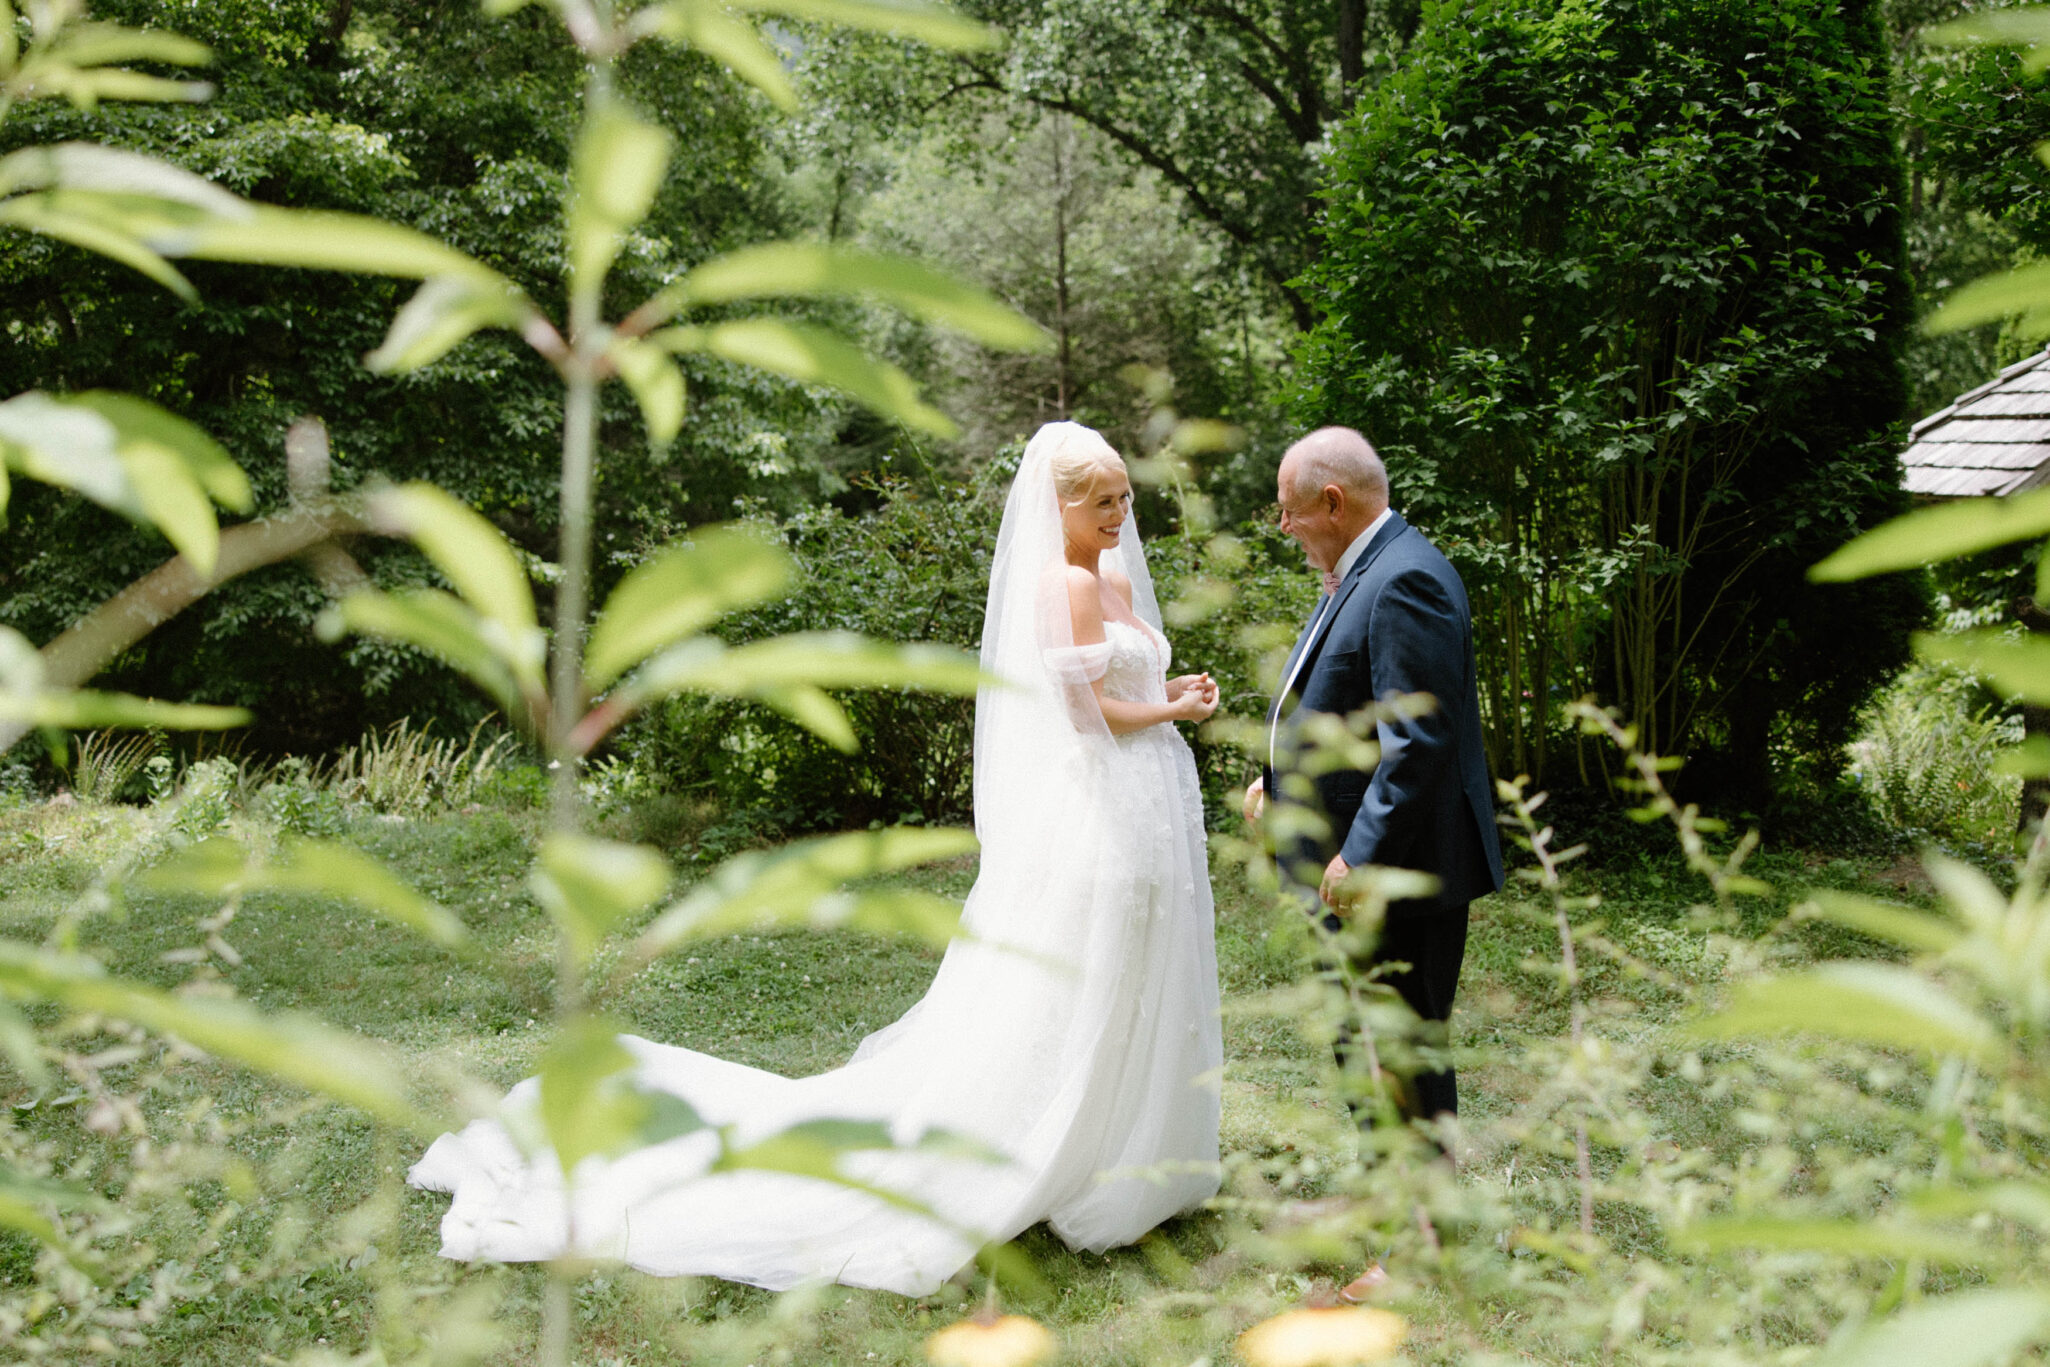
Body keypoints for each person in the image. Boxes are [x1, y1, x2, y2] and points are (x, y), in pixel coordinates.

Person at [410, 421, 1224, 1297]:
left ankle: (1122, 1143)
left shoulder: (1106, 574)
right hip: (1103, 804)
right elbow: (1085, 712)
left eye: (1123, 498)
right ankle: (1055, 1143)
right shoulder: (1062, 579)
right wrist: (1170, 716)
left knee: (1136, 967)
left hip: (1145, 803)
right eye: (1101, 500)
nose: (1118, 513)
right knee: (1085, 971)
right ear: (1059, 504)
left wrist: (1173, 691)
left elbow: (1125, 684)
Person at [1242, 425, 1503, 1294]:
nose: (1284, 529)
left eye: (1287, 513)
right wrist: (1278, 786)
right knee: (1367, 1053)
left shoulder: (1405, 579)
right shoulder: (1363, 569)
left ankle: (1425, 1251)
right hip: (1352, 872)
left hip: (1395, 876)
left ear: (1330, 501)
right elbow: (1343, 712)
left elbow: (1415, 743)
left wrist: (1360, 855)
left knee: (1401, 1056)